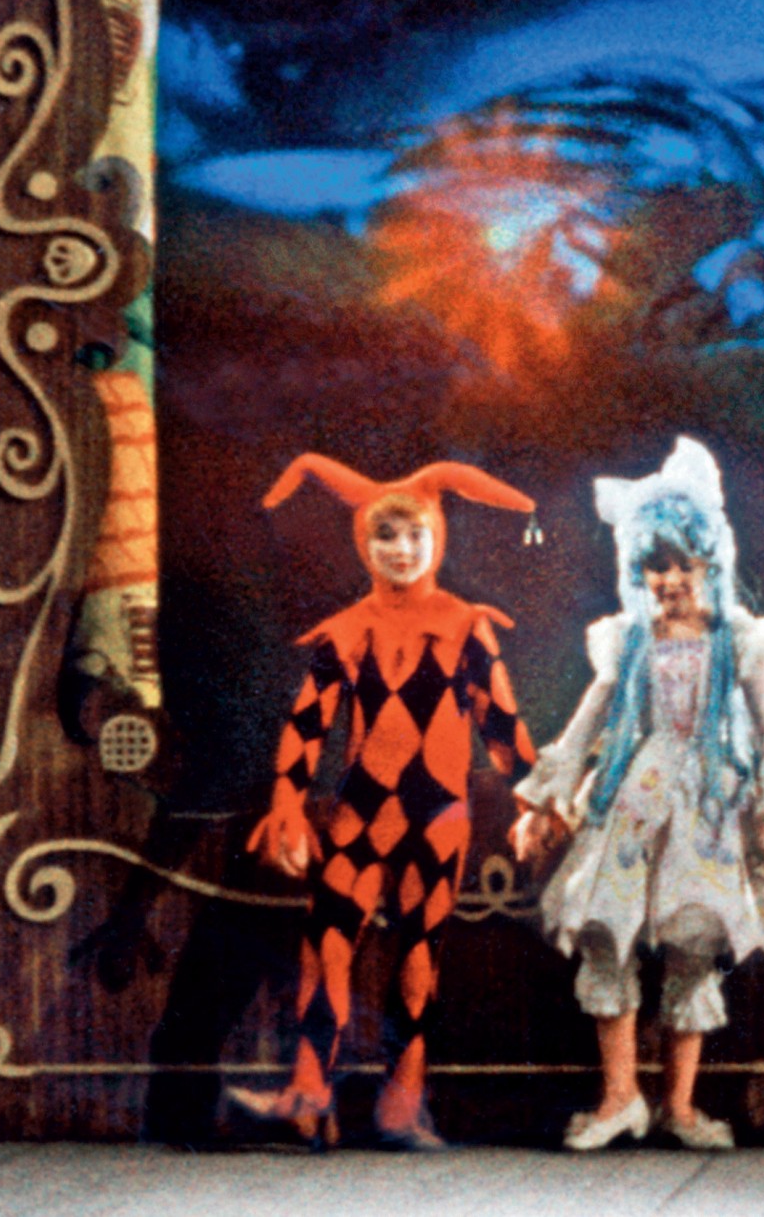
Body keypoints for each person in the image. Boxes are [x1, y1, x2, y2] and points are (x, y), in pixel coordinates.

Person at [229, 455, 540, 1150]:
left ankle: (402, 1104)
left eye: (415, 535)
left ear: (437, 539)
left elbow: (501, 726)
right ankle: (309, 1094)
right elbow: (307, 724)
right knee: (326, 948)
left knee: (419, 955)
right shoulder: (347, 629)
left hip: (438, 816)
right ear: (363, 544)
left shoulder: (465, 625)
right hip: (360, 814)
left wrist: (535, 801)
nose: (401, 550)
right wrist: (287, 804)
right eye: (385, 536)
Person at [511, 438, 764, 1151]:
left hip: (709, 802)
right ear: (636, 571)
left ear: (711, 563)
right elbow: (588, 721)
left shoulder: (739, 639)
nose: (670, 579)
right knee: (607, 931)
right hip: (638, 795)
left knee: (694, 941)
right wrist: (546, 798)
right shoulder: (629, 639)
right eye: (655, 566)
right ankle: (620, 1097)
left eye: (683, 563)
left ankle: (679, 1102)